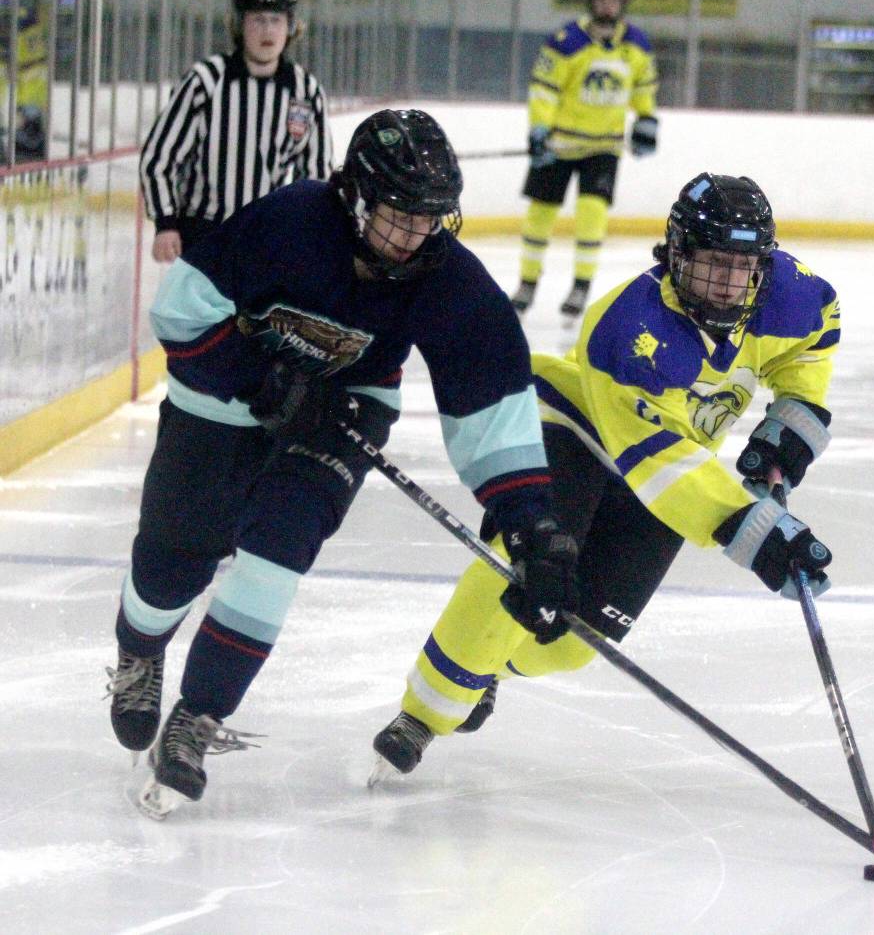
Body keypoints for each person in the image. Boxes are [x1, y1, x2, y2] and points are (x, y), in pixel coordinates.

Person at [105, 108, 577, 818]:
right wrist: (264, 382)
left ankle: (196, 718)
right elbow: (181, 311)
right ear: (354, 197)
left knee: (277, 555)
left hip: (344, 411)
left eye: (431, 218)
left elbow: (491, 405)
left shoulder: (444, 276)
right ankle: (139, 651)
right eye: (399, 216)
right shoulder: (286, 224)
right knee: (176, 557)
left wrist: (533, 524)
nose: (417, 234)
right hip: (221, 398)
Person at [371, 172, 840, 778]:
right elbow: (657, 464)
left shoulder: (796, 296)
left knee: (573, 644)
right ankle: (424, 713)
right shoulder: (628, 328)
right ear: (675, 255)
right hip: (572, 427)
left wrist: (787, 434)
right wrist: (755, 532)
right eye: (709, 264)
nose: (726, 283)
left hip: (676, 462)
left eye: (741, 266)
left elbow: (809, 352)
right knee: (533, 568)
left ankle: (485, 671)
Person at [139, 0, 334, 263]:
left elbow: (317, 176)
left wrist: (306, 235)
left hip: (268, 240)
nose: (267, 30)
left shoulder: (305, 91)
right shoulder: (205, 82)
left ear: (290, 26)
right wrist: (165, 224)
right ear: (240, 25)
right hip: (205, 236)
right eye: (257, 20)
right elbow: (159, 158)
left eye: (276, 20)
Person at [509, 0, 658, 318]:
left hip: (603, 148)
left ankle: (581, 286)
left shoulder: (636, 43)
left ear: (621, 4)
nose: (607, 5)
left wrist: (647, 119)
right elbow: (544, 88)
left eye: (614, 0)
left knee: (592, 215)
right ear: (592, 2)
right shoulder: (566, 40)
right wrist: (540, 129)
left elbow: (643, 87)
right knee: (540, 215)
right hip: (559, 145)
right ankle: (528, 283)